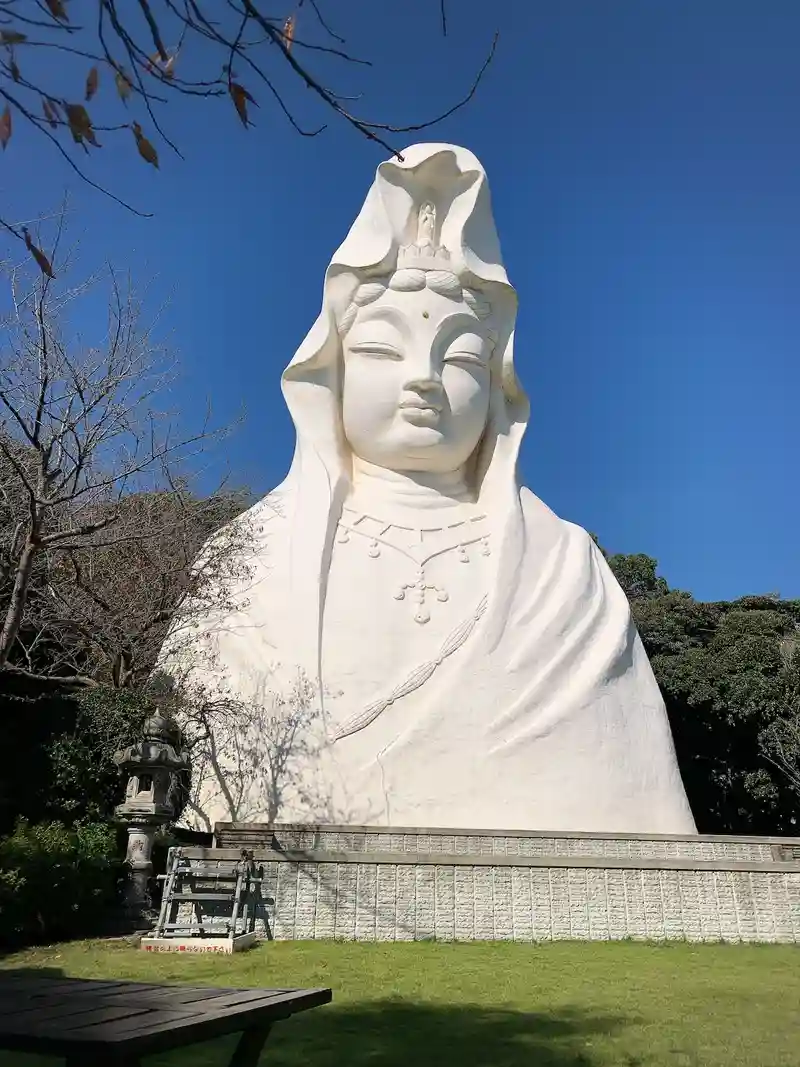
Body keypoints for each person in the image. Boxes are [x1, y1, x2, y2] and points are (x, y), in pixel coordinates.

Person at [167, 144, 696, 834]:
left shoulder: (565, 568)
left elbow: (626, 787)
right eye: (382, 349)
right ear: (334, 370)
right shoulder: (248, 558)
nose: (423, 377)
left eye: (462, 355)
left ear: (498, 386)